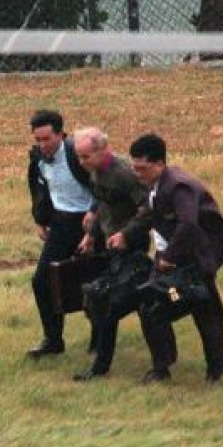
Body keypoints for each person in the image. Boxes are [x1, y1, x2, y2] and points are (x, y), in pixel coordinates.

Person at [111, 133, 223, 383]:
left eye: (142, 168)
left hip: (194, 260)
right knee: (157, 304)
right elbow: (153, 216)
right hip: (173, 260)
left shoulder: (178, 186)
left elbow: (188, 224)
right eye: (134, 168)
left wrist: (169, 258)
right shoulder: (156, 185)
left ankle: (215, 367)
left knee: (200, 308)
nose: (137, 174)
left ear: (159, 164)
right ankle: (165, 364)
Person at [71, 127, 152, 381]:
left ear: (103, 151)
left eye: (85, 157)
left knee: (110, 301)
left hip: (132, 246)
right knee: (105, 300)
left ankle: (101, 366)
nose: (81, 163)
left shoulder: (125, 174)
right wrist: (91, 234)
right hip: (110, 243)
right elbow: (104, 205)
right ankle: (101, 353)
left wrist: (126, 235)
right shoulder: (96, 173)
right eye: (78, 157)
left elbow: (147, 208)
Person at [25, 109, 98, 358]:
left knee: (93, 282)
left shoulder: (76, 155)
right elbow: (38, 188)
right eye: (38, 140)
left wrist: (95, 214)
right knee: (42, 281)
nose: (43, 145)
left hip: (90, 222)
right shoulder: (38, 158)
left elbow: (103, 185)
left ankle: (99, 338)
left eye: (47, 139)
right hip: (61, 222)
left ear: (60, 134)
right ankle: (53, 339)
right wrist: (41, 220)